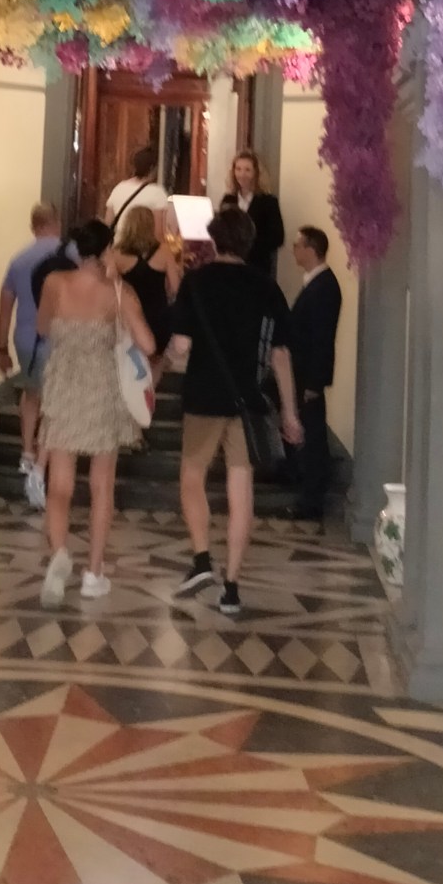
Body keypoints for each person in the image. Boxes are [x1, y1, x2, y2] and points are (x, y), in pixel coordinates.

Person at [166, 207, 303, 615]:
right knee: (240, 490)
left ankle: (202, 560)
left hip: (205, 395)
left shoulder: (197, 281)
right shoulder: (267, 288)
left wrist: (168, 358)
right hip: (249, 400)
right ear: (248, 243)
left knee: (192, 476)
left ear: (213, 240)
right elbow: (280, 355)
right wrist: (290, 414)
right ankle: (232, 587)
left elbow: (181, 346)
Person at [36, 220, 157, 606]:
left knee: (60, 484)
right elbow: (148, 344)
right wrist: (119, 295)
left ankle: (58, 555)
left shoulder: (55, 283)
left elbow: (42, 327)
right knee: (102, 485)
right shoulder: (117, 293)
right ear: (106, 250)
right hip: (102, 388)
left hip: (64, 385)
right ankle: (94, 572)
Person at [0, 203, 63, 510]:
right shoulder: (68, 255)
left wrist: (1, 348)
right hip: (56, 336)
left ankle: (26, 452)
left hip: (24, 338)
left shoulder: (18, 259)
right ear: (56, 222)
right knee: (55, 404)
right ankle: (39, 468)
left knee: (31, 393)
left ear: (33, 225)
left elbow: (5, 306)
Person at [278, 225, 343, 528]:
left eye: (297, 244)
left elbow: (322, 339)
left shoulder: (325, 287)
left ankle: (312, 499)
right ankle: (297, 476)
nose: (293, 249)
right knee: (306, 431)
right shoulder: (315, 284)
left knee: (314, 436)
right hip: (302, 372)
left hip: (309, 376)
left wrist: (315, 383)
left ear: (311, 249)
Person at [112, 203, 181, 358]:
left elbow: (111, 289)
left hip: (129, 318)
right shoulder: (164, 251)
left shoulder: (116, 254)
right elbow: (176, 288)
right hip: (158, 317)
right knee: (155, 360)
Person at [221, 149, 284, 275]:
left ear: (256, 173)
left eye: (247, 170)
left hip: (257, 268)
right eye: (238, 169)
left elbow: (277, 237)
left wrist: (249, 247)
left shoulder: (268, 202)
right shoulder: (228, 200)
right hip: (231, 268)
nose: (242, 174)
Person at [104, 146, 170, 237]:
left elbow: (108, 223)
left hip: (119, 246)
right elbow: (158, 233)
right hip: (143, 248)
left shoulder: (119, 188)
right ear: (152, 168)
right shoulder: (157, 193)